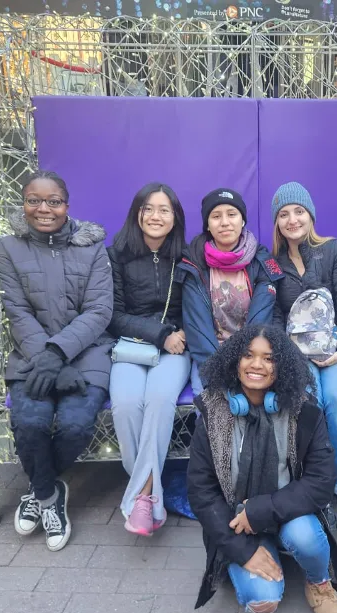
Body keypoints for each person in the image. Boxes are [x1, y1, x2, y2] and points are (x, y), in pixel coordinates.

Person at [187, 325, 337, 613]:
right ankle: (261, 555)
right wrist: (241, 549)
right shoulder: (213, 410)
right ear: (234, 360)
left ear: (283, 365)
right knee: (262, 601)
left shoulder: (303, 409)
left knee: (304, 536)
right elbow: (201, 491)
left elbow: (320, 481)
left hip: (289, 513)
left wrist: (262, 510)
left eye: (268, 358)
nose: (257, 365)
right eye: (248, 355)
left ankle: (319, 584)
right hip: (236, 524)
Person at [0, 170, 113, 552]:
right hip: (31, 355)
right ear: (24, 203)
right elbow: (16, 311)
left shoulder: (92, 247)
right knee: (30, 423)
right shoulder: (8, 249)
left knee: (77, 426)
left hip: (86, 354)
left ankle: (38, 487)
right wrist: (46, 358)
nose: (44, 208)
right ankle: (49, 496)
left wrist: (60, 353)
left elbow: (99, 311)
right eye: (34, 200)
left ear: (66, 205)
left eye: (53, 201)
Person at [271, 182, 337, 532]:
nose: (292, 219)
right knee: (311, 401)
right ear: (277, 221)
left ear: (310, 214)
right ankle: (318, 490)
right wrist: (287, 354)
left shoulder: (333, 250)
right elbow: (276, 315)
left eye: (298, 211)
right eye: (284, 214)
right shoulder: (272, 262)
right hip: (297, 353)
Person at [108, 182, 190, 536]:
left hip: (176, 350)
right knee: (126, 405)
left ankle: (141, 501)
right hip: (130, 346)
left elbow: (196, 308)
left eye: (164, 210)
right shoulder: (115, 255)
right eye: (148, 208)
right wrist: (160, 334)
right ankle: (151, 493)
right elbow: (112, 314)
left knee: (158, 400)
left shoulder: (187, 257)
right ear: (137, 213)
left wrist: (182, 333)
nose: (156, 216)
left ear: (175, 218)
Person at [177, 188, 283, 394]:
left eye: (232, 214)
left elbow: (261, 322)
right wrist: (219, 371)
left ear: (242, 220)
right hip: (210, 359)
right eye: (216, 216)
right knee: (211, 406)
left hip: (254, 359)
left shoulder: (262, 262)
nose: (224, 222)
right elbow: (197, 329)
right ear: (207, 224)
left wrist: (246, 364)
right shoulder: (192, 264)